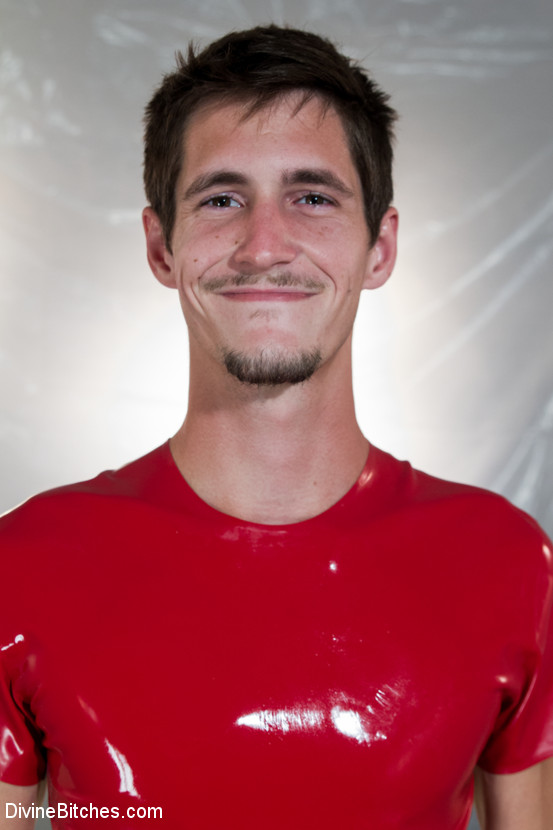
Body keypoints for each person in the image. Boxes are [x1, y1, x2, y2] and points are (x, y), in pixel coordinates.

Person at [1, 24, 552, 830]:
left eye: (312, 198)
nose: (263, 247)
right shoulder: (21, 567)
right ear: (161, 247)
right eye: (221, 199)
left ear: (379, 247)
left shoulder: (507, 565)